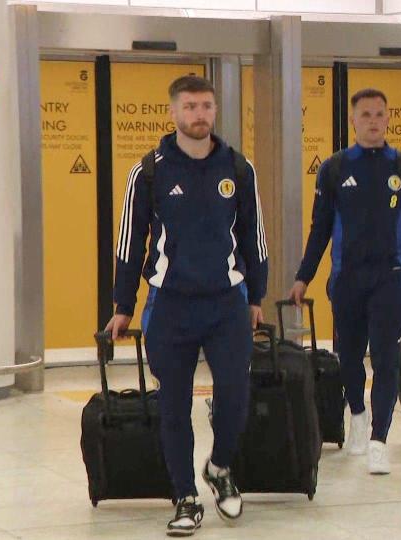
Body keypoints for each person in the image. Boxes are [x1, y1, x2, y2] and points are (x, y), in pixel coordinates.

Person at [105, 75, 268, 537]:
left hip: (227, 305)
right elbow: (130, 241)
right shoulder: (150, 170)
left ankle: (218, 468)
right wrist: (122, 304)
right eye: (190, 106)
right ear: (174, 112)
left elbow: (255, 237)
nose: (199, 115)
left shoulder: (239, 168)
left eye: (207, 106)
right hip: (170, 306)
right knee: (173, 406)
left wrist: (255, 296)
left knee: (235, 396)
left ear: (215, 111)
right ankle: (185, 497)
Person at [289, 88, 401, 475]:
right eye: (366, 115)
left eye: (380, 114)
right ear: (353, 120)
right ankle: (356, 414)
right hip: (346, 279)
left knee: (387, 359)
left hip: (390, 279)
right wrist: (303, 277)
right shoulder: (335, 169)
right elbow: (319, 229)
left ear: (388, 119)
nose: (374, 121)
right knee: (351, 357)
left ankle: (379, 439)